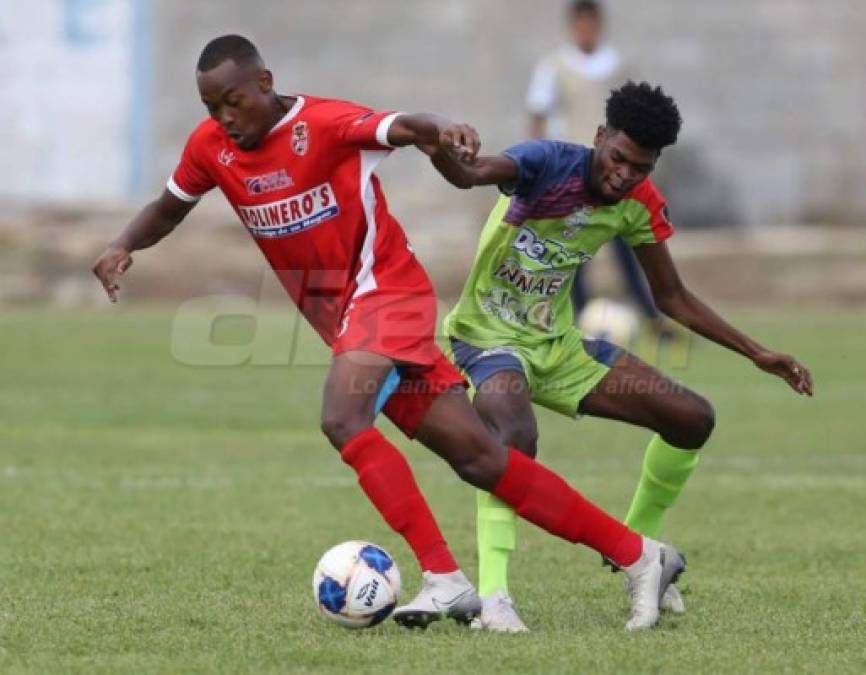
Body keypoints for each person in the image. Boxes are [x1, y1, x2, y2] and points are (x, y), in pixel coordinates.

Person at [93, 35, 686, 633]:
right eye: (211, 107)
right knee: (482, 459)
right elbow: (171, 205)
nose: (223, 117)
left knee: (342, 418)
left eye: (232, 101)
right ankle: (640, 555)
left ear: (264, 84)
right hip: (347, 322)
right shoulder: (211, 148)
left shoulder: (321, 124)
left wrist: (444, 129)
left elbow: (404, 125)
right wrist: (123, 245)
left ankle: (444, 577)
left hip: (387, 294)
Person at [432, 81, 813, 632]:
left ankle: (638, 556)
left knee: (691, 419)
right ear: (599, 137)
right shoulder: (544, 164)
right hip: (486, 338)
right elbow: (471, 175)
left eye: (642, 166)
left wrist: (757, 352)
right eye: (619, 158)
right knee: (515, 436)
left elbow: (672, 298)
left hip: (558, 348)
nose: (626, 174)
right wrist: (445, 147)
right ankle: (494, 599)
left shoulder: (638, 204)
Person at [527, 0, 662, 326]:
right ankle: (575, 317)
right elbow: (538, 114)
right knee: (573, 249)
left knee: (628, 246)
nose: (586, 30)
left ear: (599, 25)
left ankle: (652, 315)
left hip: (617, 173)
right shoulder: (555, 67)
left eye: (591, 24)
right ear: (573, 26)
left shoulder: (619, 66)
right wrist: (540, 166)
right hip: (576, 172)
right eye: (580, 24)